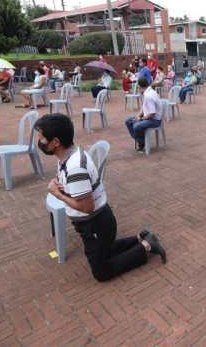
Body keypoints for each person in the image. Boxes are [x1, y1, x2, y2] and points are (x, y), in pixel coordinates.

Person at [35, 113, 166, 282]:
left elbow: (87, 207)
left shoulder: (75, 167)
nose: (40, 142)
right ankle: (140, 237)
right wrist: (64, 188)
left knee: (101, 272)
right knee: (105, 249)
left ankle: (146, 246)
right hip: (98, 222)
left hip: (95, 223)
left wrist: (58, 194)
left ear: (56, 142)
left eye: (42, 138)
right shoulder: (70, 154)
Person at [125, 78, 163, 152]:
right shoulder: (147, 92)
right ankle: (141, 141)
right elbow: (143, 106)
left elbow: (152, 114)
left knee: (136, 126)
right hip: (148, 116)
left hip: (154, 120)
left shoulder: (149, 95)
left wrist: (141, 119)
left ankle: (142, 143)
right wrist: (139, 115)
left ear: (140, 86)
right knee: (128, 121)